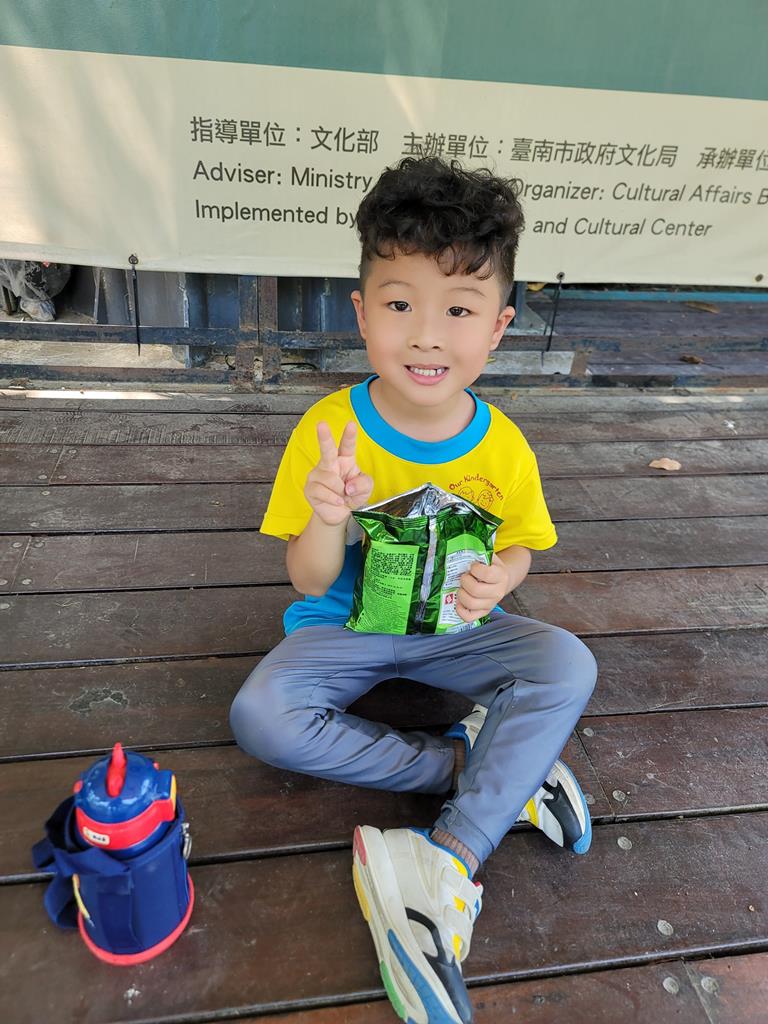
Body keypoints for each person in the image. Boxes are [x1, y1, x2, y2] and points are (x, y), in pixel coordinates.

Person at [230, 156, 598, 1024]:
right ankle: (475, 767)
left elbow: (520, 549)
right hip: (343, 630)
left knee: (567, 663)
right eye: (400, 306)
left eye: (458, 311)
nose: (427, 337)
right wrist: (327, 516)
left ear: (498, 327)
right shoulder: (329, 429)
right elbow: (308, 578)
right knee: (260, 716)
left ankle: (451, 852)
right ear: (362, 312)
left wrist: (501, 577)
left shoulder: (504, 446)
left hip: (456, 631)